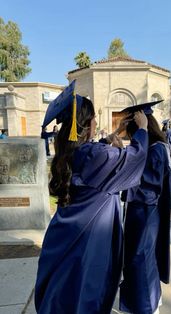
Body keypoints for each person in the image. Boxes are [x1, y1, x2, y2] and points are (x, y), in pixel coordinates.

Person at [34, 80, 149, 314]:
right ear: (87, 123)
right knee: (86, 290)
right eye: (94, 117)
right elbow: (134, 158)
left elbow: (94, 158)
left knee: (65, 289)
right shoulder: (94, 155)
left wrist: (110, 139)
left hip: (68, 232)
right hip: (90, 237)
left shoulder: (72, 150)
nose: (97, 121)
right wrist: (143, 130)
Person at [119, 103, 171, 314]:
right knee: (137, 260)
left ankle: (146, 307)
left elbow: (149, 189)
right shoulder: (151, 147)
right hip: (139, 213)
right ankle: (145, 304)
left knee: (140, 260)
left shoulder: (157, 149)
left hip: (146, 214)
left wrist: (123, 183)